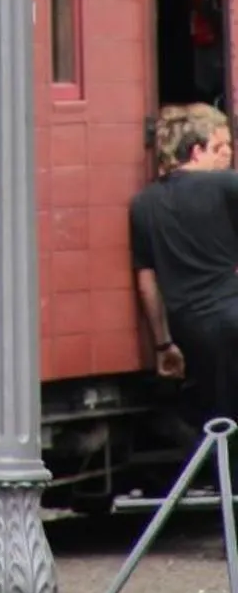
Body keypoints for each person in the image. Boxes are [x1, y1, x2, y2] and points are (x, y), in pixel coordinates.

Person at [128, 104, 238, 420]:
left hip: (194, 330)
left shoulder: (142, 205)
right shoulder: (226, 185)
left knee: (221, 417)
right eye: (220, 147)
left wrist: (163, 346)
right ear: (195, 151)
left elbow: (147, 285)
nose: (228, 154)